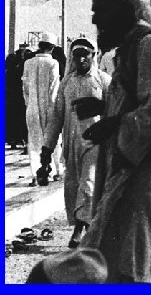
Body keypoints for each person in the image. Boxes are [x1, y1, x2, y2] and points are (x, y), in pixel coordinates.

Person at [79, 0, 151, 283]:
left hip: (145, 171)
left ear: (123, 10)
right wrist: (102, 108)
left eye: (102, 12)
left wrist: (111, 124)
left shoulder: (148, 45)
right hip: (131, 165)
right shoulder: (130, 48)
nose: (98, 21)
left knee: (138, 256)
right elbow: (138, 100)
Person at [40, 38, 111, 248]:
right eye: (77, 55)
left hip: (96, 144)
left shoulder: (103, 80)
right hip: (72, 145)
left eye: (85, 55)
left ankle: (79, 231)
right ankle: (91, 231)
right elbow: (57, 116)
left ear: (93, 56)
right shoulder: (67, 83)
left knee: (88, 184)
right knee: (75, 187)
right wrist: (47, 148)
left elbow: (116, 110)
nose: (81, 59)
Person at [22, 32, 62, 186]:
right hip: (49, 108)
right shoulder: (53, 64)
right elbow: (54, 89)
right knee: (52, 139)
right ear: (52, 48)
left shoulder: (28, 63)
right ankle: (56, 171)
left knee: (33, 141)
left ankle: (34, 174)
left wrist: (29, 104)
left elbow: (24, 88)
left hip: (31, 108)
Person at [5, 43, 32, 149]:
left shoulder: (9, 69)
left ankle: (13, 140)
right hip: (21, 97)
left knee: (12, 119)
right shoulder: (23, 67)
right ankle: (25, 141)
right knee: (22, 120)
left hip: (10, 97)